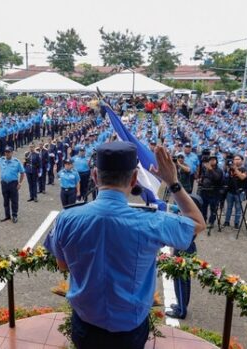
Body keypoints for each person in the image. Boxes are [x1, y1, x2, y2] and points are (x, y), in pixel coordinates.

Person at [44, 143, 205, 348]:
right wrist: (172, 182)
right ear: (135, 179)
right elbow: (198, 223)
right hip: (130, 330)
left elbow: (63, 265)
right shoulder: (151, 222)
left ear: (94, 175)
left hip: (85, 324)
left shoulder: (66, 218)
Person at [0, 146, 25, 223]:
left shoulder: (16, 162)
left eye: (8, 152)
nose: (7, 153)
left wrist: (20, 183)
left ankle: (14, 215)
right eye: (6, 152)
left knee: (14, 200)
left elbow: (22, 173)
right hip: (4, 183)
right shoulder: (1, 160)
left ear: (12, 153)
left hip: (13, 184)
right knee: (5, 200)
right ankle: (7, 216)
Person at [197, 155, 223, 228]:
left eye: (214, 160)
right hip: (204, 191)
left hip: (214, 192)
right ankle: (203, 221)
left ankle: (211, 222)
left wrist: (211, 170)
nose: (212, 161)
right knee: (203, 207)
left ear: (216, 161)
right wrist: (200, 181)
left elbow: (217, 178)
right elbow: (203, 177)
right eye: (210, 160)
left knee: (213, 208)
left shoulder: (219, 170)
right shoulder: (205, 169)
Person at [223, 155, 247, 229]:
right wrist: (226, 165)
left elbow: (242, 177)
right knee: (229, 208)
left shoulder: (245, 169)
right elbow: (225, 175)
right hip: (230, 191)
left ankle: (236, 223)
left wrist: (235, 169)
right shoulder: (229, 169)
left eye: (238, 159)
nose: (236, 160)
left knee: (238, 208)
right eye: (235, 159)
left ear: (242, 160)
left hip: (239, 192)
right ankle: (226, 221)